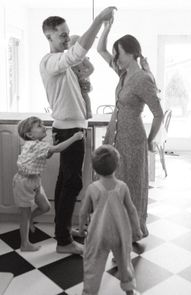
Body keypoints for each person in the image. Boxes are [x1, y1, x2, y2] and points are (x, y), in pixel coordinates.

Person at [40, 7, 116, 254]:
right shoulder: (51, 62)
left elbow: (80, 62)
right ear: (49, 36)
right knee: (72, 185)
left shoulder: (62, 66)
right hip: (69, 131)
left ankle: (61, 231)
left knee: (66, 183)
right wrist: (98, 21)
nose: (66, 38)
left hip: (71, 129)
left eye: (67, 34)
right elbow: (77, 53)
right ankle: (63, 242)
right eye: (62, 35)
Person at [97, 19, 164, 237]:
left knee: (131, 185)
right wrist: (106, 28)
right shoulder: (123, 73)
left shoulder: (143, 79)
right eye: (115, 55)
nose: (115, 58)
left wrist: (149, 140)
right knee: (113, 183)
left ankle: (133, 229)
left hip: (132, 138)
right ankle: (116, 226)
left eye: (119, 54)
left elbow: (158, 114)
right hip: (114, 137)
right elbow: (100, 49)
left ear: (132, 53)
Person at [78, 144, 142, 295]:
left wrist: (81, 228)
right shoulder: (122, 186)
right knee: (125, 262)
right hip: (120, 233)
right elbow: (132, 210)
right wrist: (137, 228)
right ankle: (129, 290)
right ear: (117, 166)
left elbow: (83, 212)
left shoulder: (93, 188)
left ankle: (89, 292)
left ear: (94, 169)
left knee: (93, 265)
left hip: (98, 234)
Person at [13, 116, 84, 252]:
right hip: (24, 183)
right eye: (39, 126)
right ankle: (25, 244)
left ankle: (30, 219)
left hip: (34, 181)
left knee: (45, 207)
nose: (44, 127)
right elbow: (57, 149)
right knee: (24, 213)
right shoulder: (35, 145)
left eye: (43, 124)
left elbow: (47, 154)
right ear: (29, 134)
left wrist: (53, 143)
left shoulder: (36, 144)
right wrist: (75, 138)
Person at [69, 35, 94, 119]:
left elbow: (91, 68)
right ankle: (76, 111)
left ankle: (89, 111)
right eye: (70, 48)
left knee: (84, 95)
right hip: (74, 82)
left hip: (83, 81)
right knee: (74, 96)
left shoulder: (82, 58)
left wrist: (84, 75)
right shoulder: (69, 58)